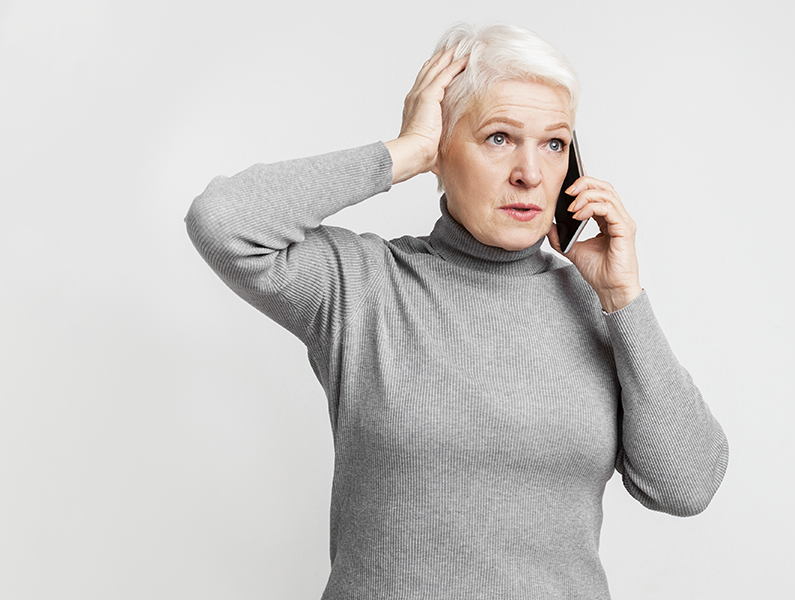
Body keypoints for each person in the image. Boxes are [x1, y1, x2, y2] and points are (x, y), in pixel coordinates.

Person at [186, 22, 728, 599]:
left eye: (554, 143)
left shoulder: (601, 312)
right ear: (444, 148)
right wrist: (404, 153)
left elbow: (687, 485)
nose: (531, 173)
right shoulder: (362, 287)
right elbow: (222, 221)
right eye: (499, 138)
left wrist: (624, 299)